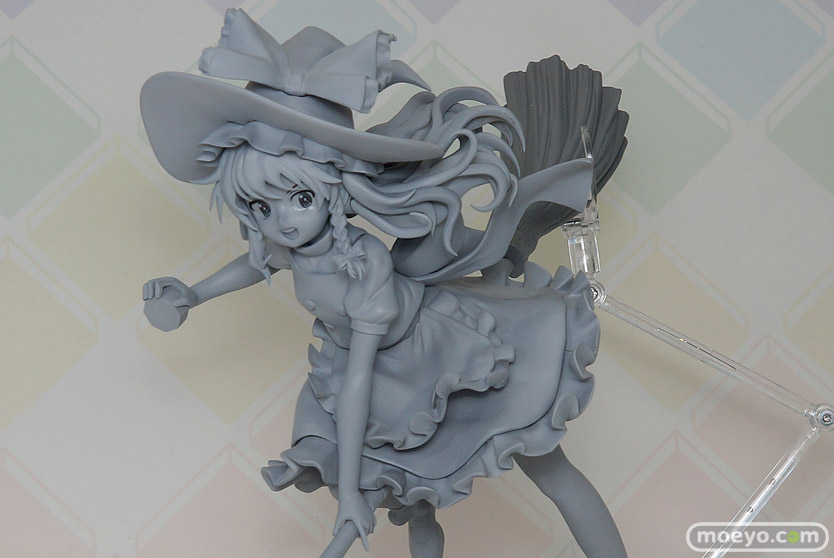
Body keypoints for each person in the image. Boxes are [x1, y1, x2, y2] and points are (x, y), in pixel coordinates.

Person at [141, 9, 627, 558]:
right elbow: (257, 263)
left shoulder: (365, 263)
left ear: (335, 187)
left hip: (439, 353)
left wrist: (350, 492)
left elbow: (359, 381)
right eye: (260, 205)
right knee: (415, 504)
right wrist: (194, 294)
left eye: (300, 198)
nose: (282, 221)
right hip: (368, 370)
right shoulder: (292, 246)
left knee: (549, 469)